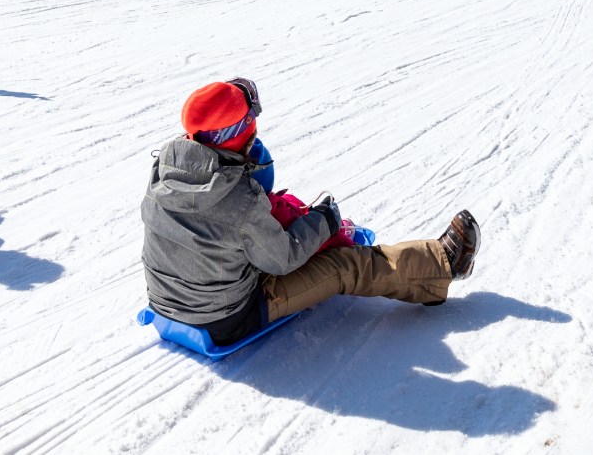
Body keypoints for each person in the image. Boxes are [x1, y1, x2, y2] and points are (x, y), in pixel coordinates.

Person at [140, 79, 479, 348]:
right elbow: (284, 259)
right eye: (252, 122)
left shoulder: (165, 170)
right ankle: (442, 264)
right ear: (241, 133)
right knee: (345, 265)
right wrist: (323, 220)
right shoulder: (238, 199)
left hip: (167, 303)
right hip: (225, 318)